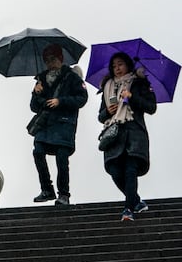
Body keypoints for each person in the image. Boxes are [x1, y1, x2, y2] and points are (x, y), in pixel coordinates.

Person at [98, 52, 157, 221]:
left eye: (120, 64)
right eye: (114, 65)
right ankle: (136, 201)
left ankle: (128, 209)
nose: (117, 68)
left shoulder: (139, 83)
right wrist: (106, 112)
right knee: (115, 172)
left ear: (128, 65)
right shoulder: (107, 86)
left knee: (130, 170)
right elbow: (100, 116)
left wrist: (132, 97)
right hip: (114, 134)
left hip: (133, 132)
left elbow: (151, 107)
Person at [30, 44, 88, 206]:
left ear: (61, 59)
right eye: (47, 60)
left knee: (62, 159)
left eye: (53, 59)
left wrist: (60, 101)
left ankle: (64, 194)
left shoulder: (72, 78)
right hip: (46, 124)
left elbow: (82, 99)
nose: (50, 63)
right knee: (38, 152)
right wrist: (37, 93)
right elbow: (33, 107)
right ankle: (47, 189)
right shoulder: (40, 80)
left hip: (64, 124)